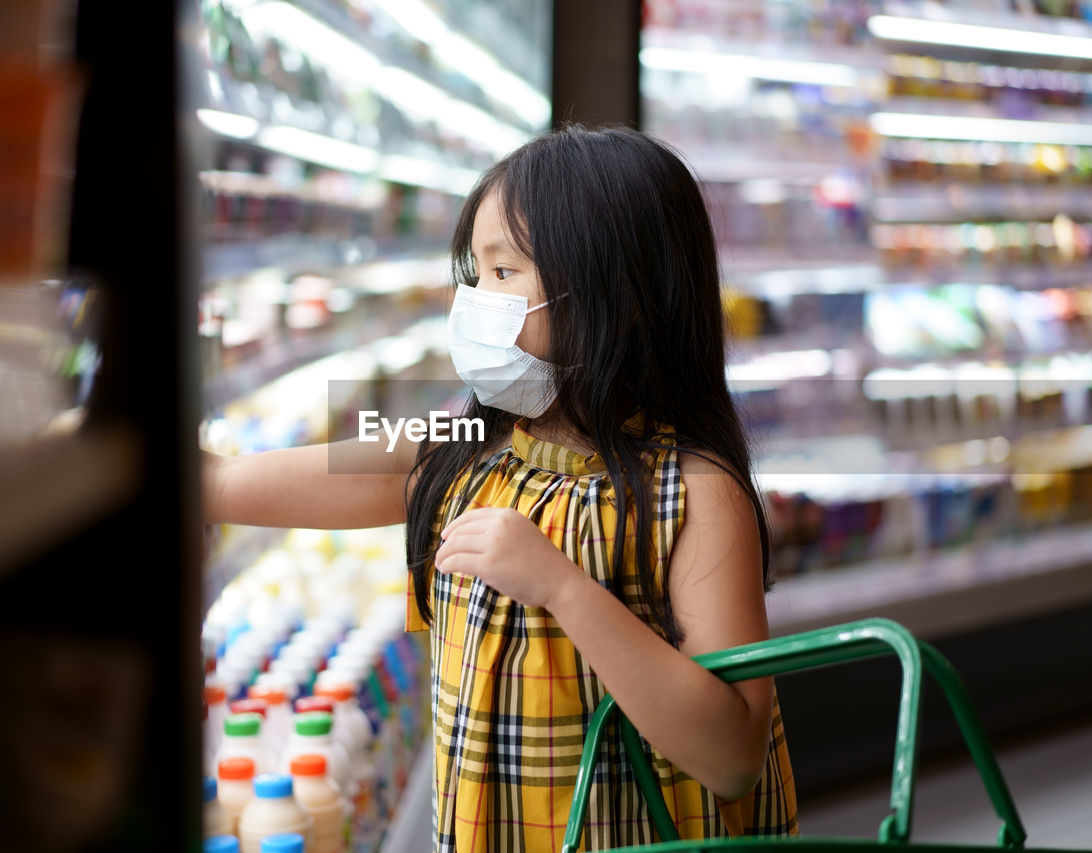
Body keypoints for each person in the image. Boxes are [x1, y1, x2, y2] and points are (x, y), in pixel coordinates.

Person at [204, 123, 797, 851]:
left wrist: (564, 588)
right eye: (475, 272)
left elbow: (731, 754)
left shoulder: (695, 492)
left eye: (504, 273)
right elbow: (352, 464)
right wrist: (212, 483)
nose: (474, 301)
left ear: (620, 295)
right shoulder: (473, 443)